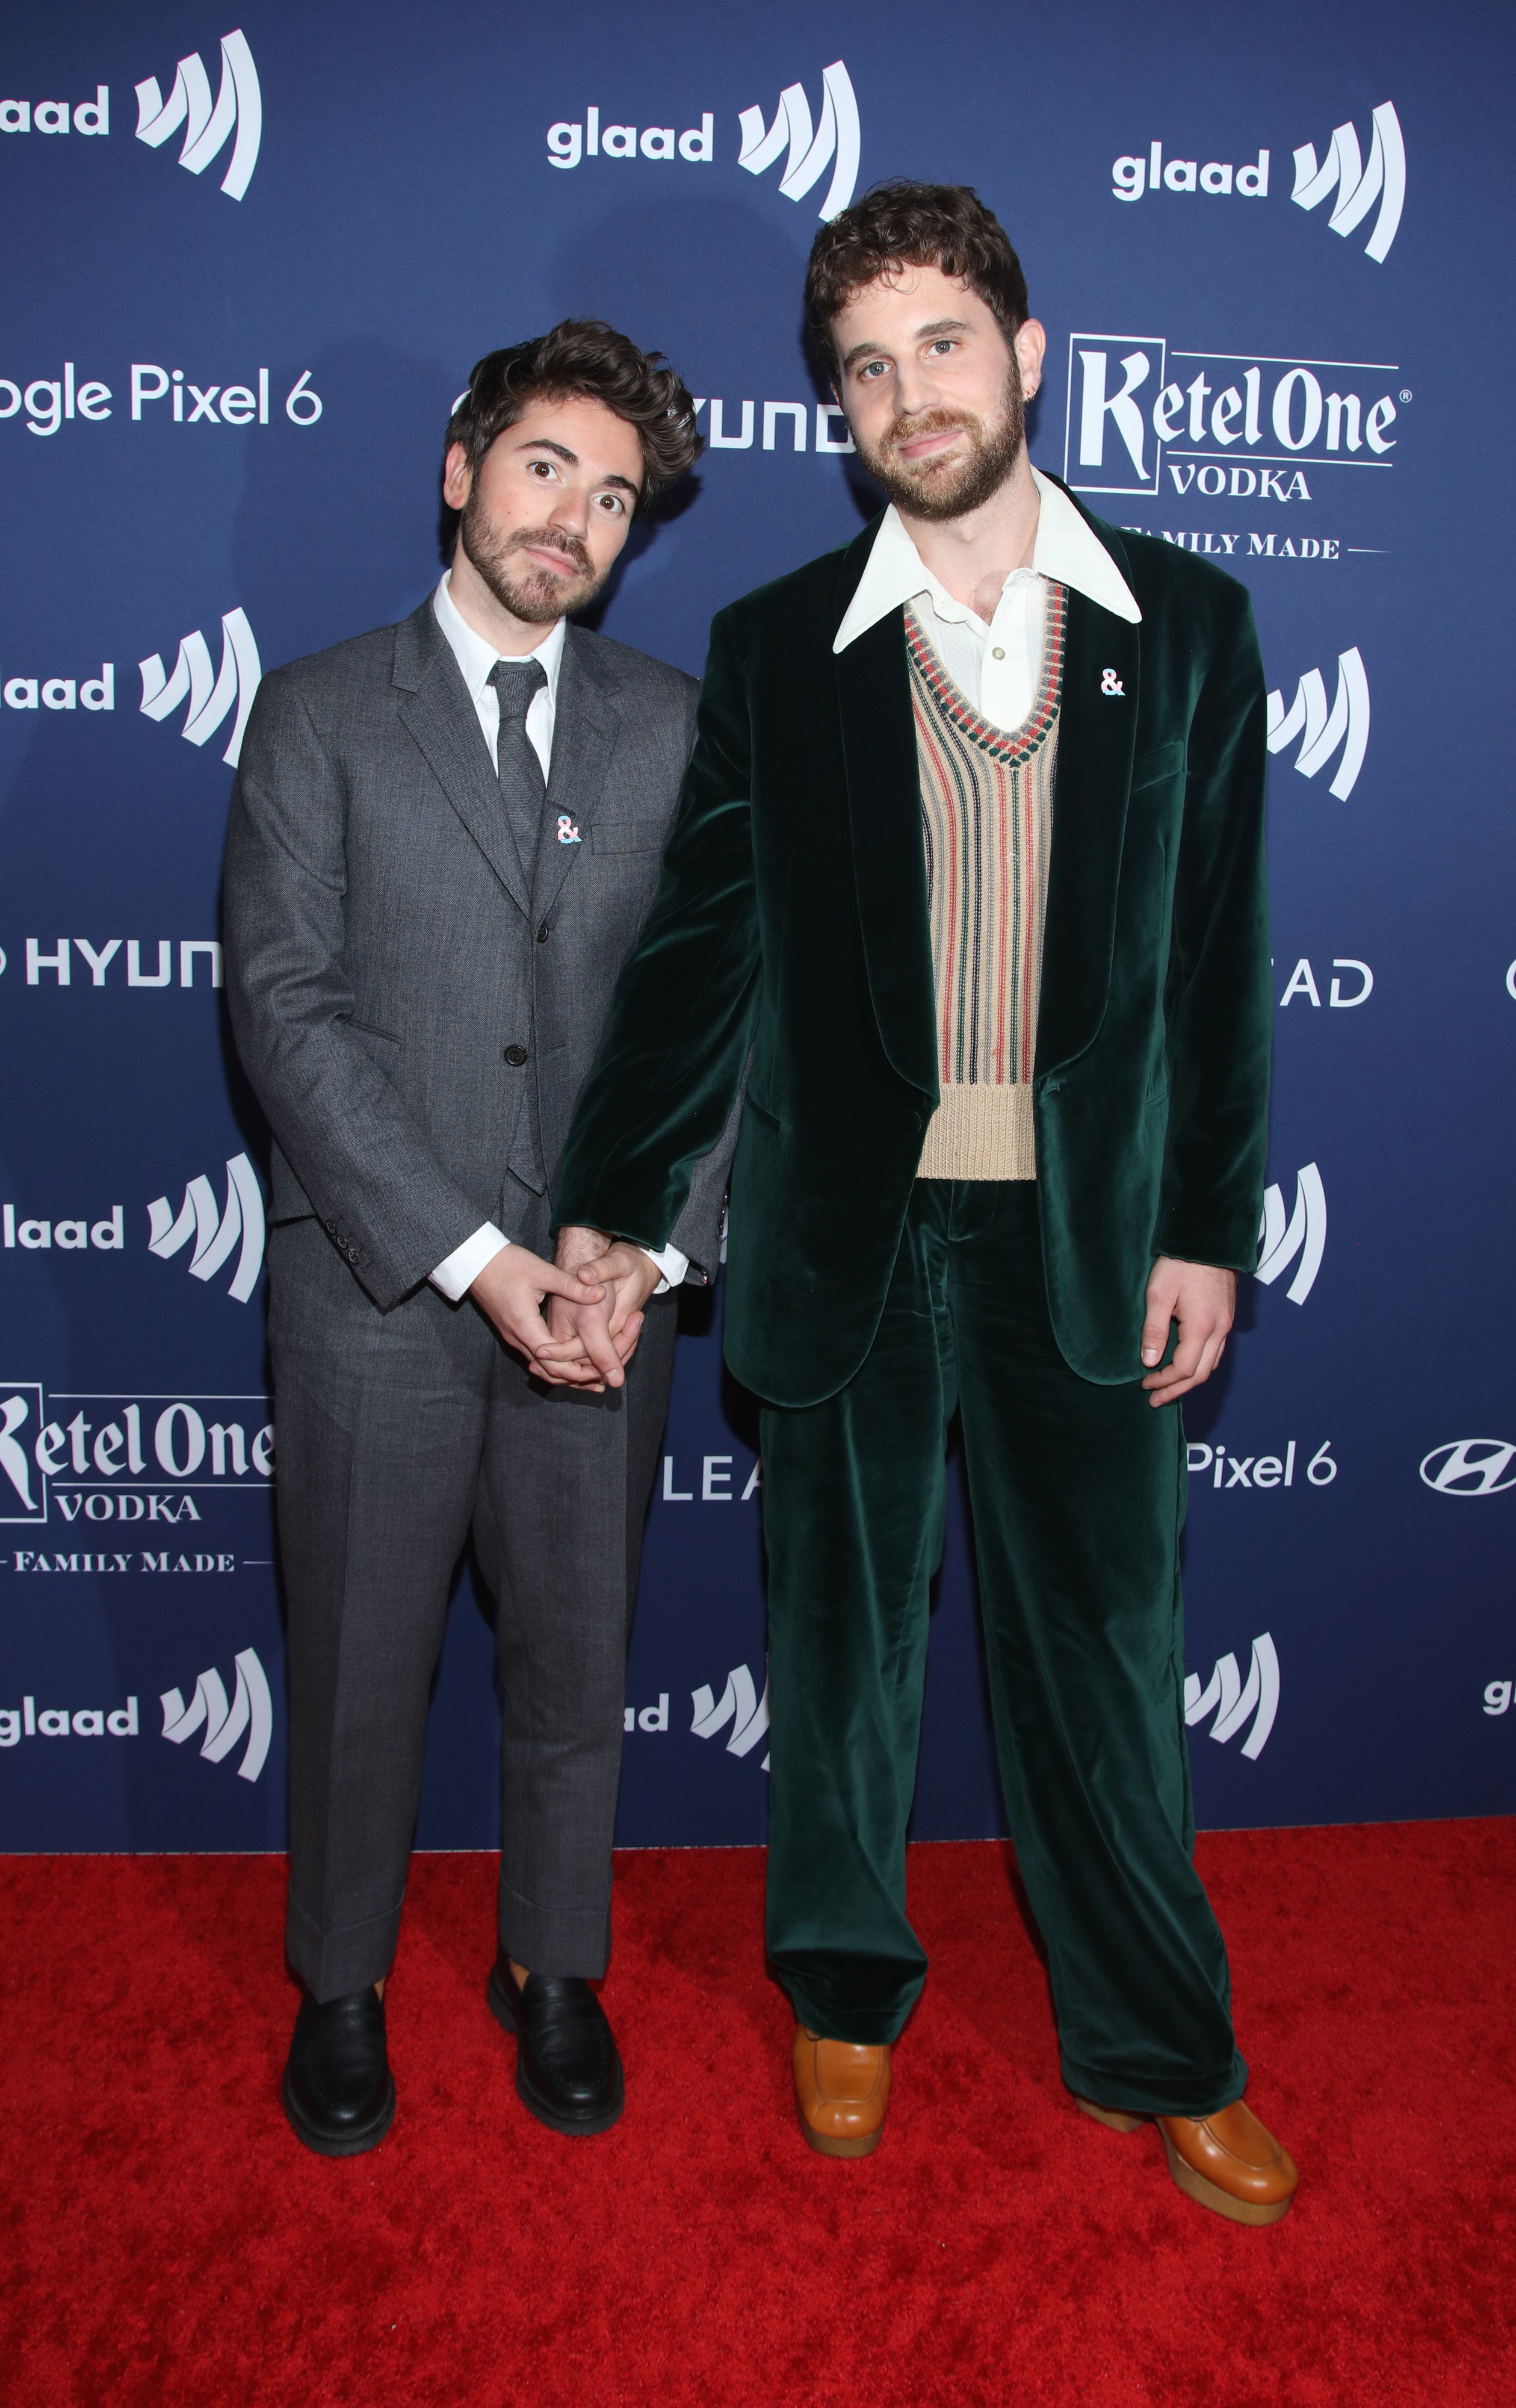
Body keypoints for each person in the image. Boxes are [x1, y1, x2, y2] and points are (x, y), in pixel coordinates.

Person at [552, 187, 1298, 2223]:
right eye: (867, 366)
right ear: (840, 408)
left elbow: (1219, 960)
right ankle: (848, 1990)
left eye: (943, 343)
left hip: (1085, 1243)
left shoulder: (1193, 622)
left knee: (1107, 1673)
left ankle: (1163, 2043)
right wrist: (614, 1215)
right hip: (846, 1249)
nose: (911, 392)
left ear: (1028, 353)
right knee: (847, 1658)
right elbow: (698, 963)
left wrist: (1205, 1221)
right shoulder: (780, 650)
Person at [224, 320, 737, 2156]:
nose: (574, 520)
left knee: (576, 1659)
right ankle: (344, 1988)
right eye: (546, 470)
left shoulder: (677, 728)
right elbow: (288, 1013)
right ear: (461, 469)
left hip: (605, 1302)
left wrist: (649, 1255)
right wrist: (470, 1252)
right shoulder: (316, 712)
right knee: (362, 1663)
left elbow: (721, 1019)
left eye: (614, 497)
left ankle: (556, 1966)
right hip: (381, 1290)